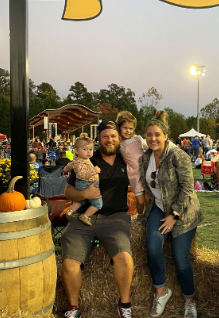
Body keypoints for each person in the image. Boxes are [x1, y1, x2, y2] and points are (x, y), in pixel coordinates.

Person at [61, 120, 134, 318]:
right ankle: (73, 308)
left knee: (124, 257)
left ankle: (125, 305)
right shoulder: (87, 160)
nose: (109, 140)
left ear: (119, 138)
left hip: (116, 218)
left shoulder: (126, 159)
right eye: (105, 136)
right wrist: (84, 195)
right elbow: (68, 191)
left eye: (113, 136)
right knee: (69, 262)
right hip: (84, 217)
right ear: (98, 139)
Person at [139, 110, 203, 318]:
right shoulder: (144, 158)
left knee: (180, 257)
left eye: (157, 134)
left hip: (183, 211)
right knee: (152, 247)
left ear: (166, 136)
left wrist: (173, 215)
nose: (153, 138)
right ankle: (161, 292)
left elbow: (187, 189)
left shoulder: (178, 156)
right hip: (159, 207)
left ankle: (189, 300)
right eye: (149, 134)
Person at [63, 133, 102, 226]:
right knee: (98, 204)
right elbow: (82, 174)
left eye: (90, 149)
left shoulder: (76, 160)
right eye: (85, 149)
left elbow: (67, 167)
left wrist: (66, 169)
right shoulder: (81, 162)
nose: (88, 152)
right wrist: (94, 171)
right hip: (86, 183)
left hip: (82, 183)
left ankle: (71, 211)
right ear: (76, 150)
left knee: (82, 200)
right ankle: (86, 216)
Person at [116, 111, 148, 214]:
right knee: (140, 200)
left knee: (148, 199)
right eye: (125, 128)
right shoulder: (120, 144)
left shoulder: (138, 139)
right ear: (119, 128)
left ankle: (148, 217)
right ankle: (140, 216)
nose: (128, 131)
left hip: (146, 172)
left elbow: (148, 147)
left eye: (131, 128)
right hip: (134, 175)